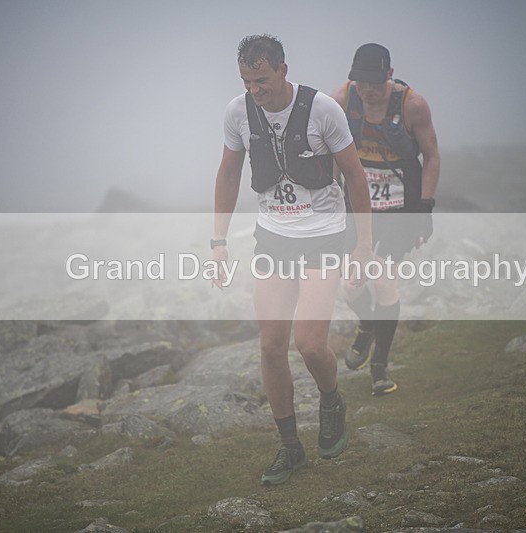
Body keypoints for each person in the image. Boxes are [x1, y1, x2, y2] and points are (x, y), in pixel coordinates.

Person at [212, 34, 372, 485]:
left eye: (261, 80)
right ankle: (290, 448)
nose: (254, 90)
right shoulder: (238, 112)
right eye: (247, 81)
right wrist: (218, 242)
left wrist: (363, 245)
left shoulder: (323, 110)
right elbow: (228, 173)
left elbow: (356, 178)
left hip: (324, 237)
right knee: (270, 346)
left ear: (283, 69)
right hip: (275, 240)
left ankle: (332, 399)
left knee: (310, 345)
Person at [331, 43, 440, 396]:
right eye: (360, 83)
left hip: (399, 206)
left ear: (390, 75)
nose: (367, 91)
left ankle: (379, 365)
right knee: (350, 286)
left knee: (383, 280)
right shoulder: (341, 100)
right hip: (356, 205)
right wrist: (330, 198)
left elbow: (432, 156)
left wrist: (424, 209)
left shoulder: (413, 105)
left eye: (374, 84)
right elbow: (330, 152)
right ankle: (366, 324)